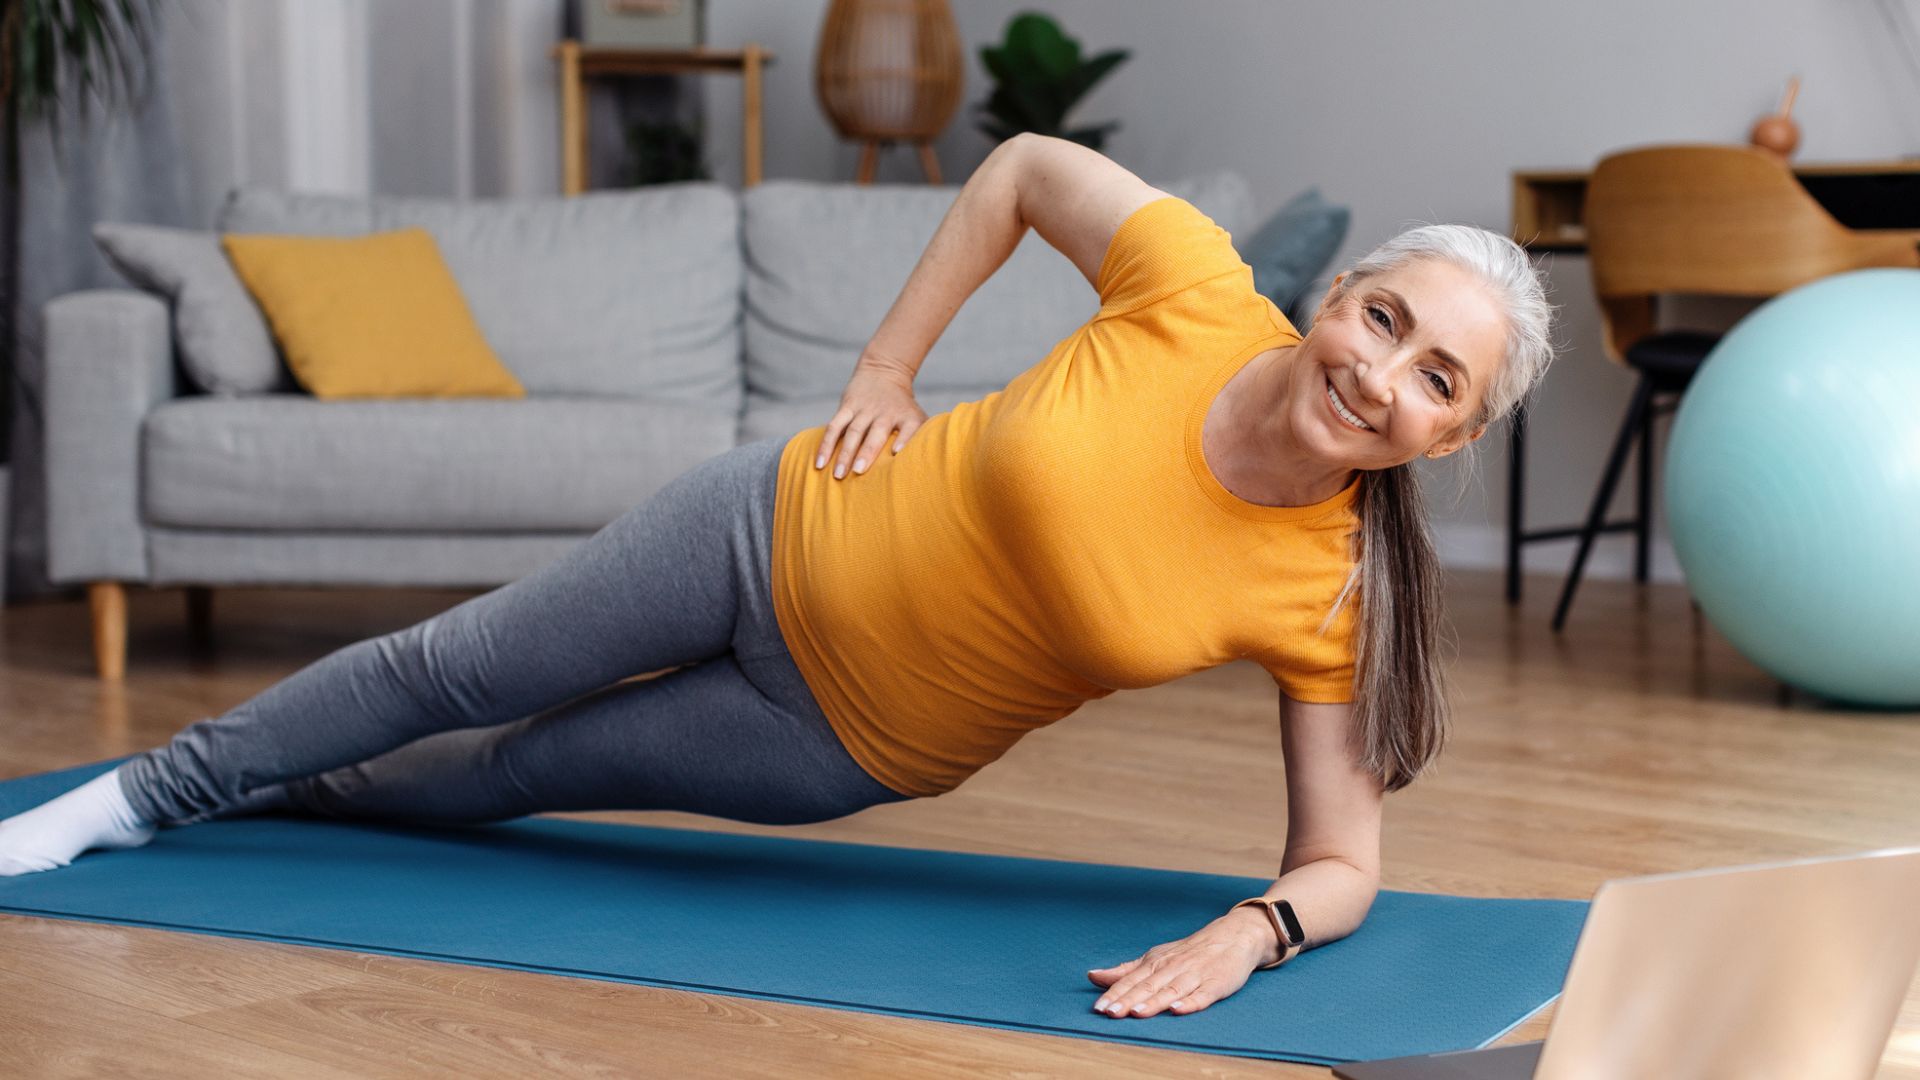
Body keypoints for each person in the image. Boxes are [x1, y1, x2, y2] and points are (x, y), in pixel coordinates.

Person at [0, 133, 1552, 1020]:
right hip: (764, 526)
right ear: (1340, 299)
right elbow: (1016, 167)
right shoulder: (1194, 285)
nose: (1387, 376)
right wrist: (889, 361)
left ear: (1445, 441)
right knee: (452, 670)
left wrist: (1253, 930)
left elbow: (1343, 863)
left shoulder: (1336, 594)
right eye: (1389, 323)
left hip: (838, 741)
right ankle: (134, 800)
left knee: (504, 777)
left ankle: (273, 798)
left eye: (1439, 386)